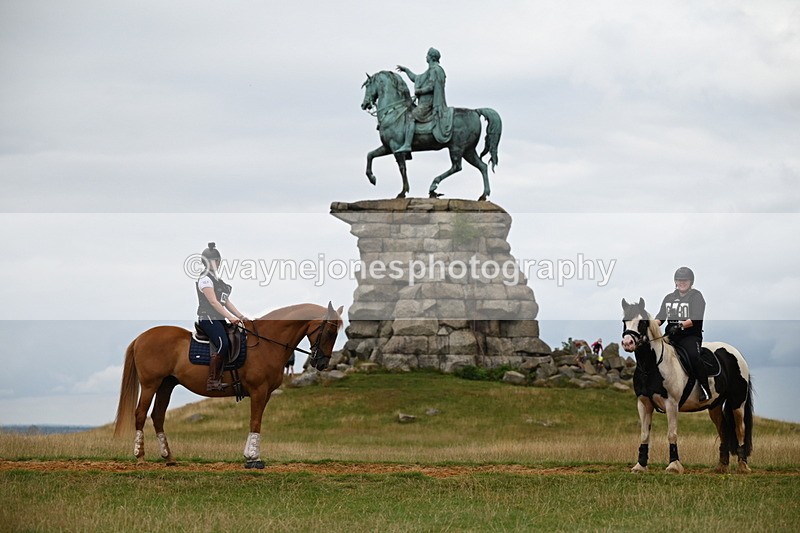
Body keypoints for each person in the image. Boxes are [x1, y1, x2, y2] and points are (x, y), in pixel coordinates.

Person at [195, 242, 246, 392]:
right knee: (223, 343)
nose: (216, 262)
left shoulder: (218, 281)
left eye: (217, 260)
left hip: (218, 318)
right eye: (212, 260)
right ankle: (213, 381)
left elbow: (226, 302)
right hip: (208, 318)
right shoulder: (205, 279)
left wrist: (241, 316)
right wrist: (230, 318)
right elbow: (213, 302)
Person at [655, 266, 710, 401]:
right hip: (671, 337)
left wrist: (680, 325)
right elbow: (661, 317)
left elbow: (696, 318)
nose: (682, 283)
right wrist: (648, 325)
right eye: (679, 280)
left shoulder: (696, 296)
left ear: (691, 282)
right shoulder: (669, 298)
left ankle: (705, 388)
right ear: (675, 281)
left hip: (690, 336)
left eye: (685, 280)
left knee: (694, 356)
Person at [396, 47, 452, 153]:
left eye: (427, 55)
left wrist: (419, 91)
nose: (426, 56)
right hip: (424, 103)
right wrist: (406, 70)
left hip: (428, 104)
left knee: (410, 116)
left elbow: (431, 86)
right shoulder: (430, 70)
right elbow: (416, 78)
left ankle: (407, 145)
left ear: (431, 57)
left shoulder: (435, 70)